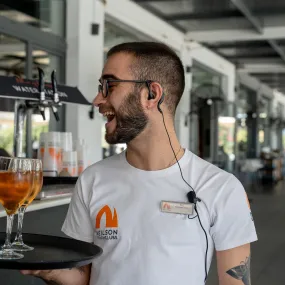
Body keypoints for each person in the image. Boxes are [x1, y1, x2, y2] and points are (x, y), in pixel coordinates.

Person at [22, 42, 257, 285]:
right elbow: (85, 276)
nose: (97, 100)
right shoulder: (93, 179)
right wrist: (46, 268)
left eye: (108, 86)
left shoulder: (221, 187)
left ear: (151, 94)